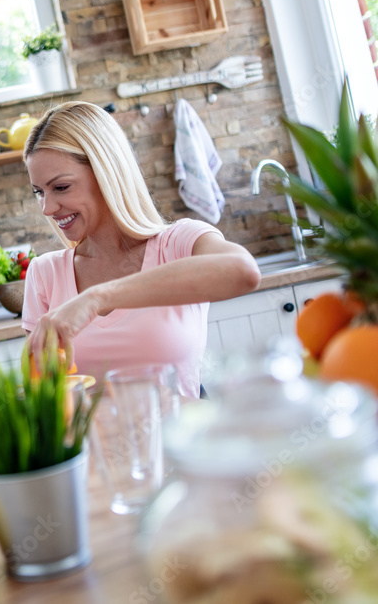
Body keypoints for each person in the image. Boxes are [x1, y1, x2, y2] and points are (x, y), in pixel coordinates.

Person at [21, 101, 261, 397]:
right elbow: (43, 396)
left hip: (179, 439)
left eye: (60, 188)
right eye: (39, 192)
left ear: (106, 172)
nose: (47, 208)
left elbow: (244, 272)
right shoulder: (45, 274)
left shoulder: (177, 244)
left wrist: (96, 298)